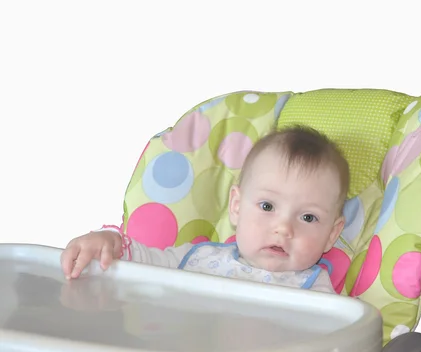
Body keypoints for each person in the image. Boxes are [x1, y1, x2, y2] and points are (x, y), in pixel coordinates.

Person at [60, 125, 350, 294]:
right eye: (267, 206)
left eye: (308, 217)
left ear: (331, 234)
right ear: (236, 206)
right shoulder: (198, 258)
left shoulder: (316, 292)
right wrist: (108, 242)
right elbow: (140, 262)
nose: (284, 228)